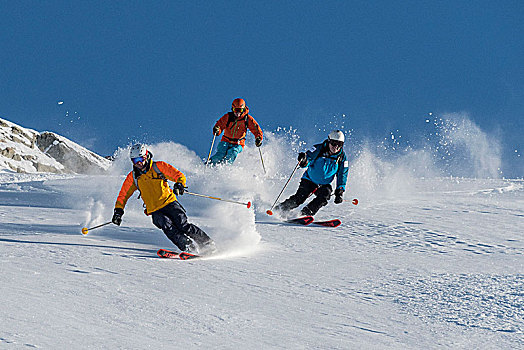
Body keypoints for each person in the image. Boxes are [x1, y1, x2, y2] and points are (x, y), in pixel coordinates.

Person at [112, 144, 216, 255]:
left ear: (146, 156)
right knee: (167, 227)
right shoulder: (133, 177)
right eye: (135, 160)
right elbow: (123, 195)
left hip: (169, 203)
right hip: (155, 210)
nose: (138, 163)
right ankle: (188, 246)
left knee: (183, 225)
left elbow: (178, 175)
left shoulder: (158, 167)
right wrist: (118, 211)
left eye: (140, 159)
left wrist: (179, 184)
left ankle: (207, 244)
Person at [275, 130, 349, 217]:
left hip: (323, 184)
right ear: (329, 141)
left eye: (339, 144)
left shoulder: (342, 158)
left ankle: (305, 214)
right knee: (300, 198)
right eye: (333, 143)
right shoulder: (318, 149)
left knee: (324, 196)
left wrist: (340, 191)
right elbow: (309, 158)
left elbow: (342, 174)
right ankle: (279, 209)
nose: (336, 147)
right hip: (309, 180)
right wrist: (304, 160)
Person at [208, 98, 263, 165]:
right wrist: (217, 130)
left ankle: (225, 169)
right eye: (235, 110)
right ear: (232, 109)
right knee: (220, 154)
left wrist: (258, 138)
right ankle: (208, 166)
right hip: (226, 141)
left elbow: (256, 129)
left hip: (238, 143)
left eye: (240, 110)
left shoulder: (247, 119)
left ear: (243, 109)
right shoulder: (228, 117)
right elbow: (220, 125)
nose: (237, 113)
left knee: (233, 152)